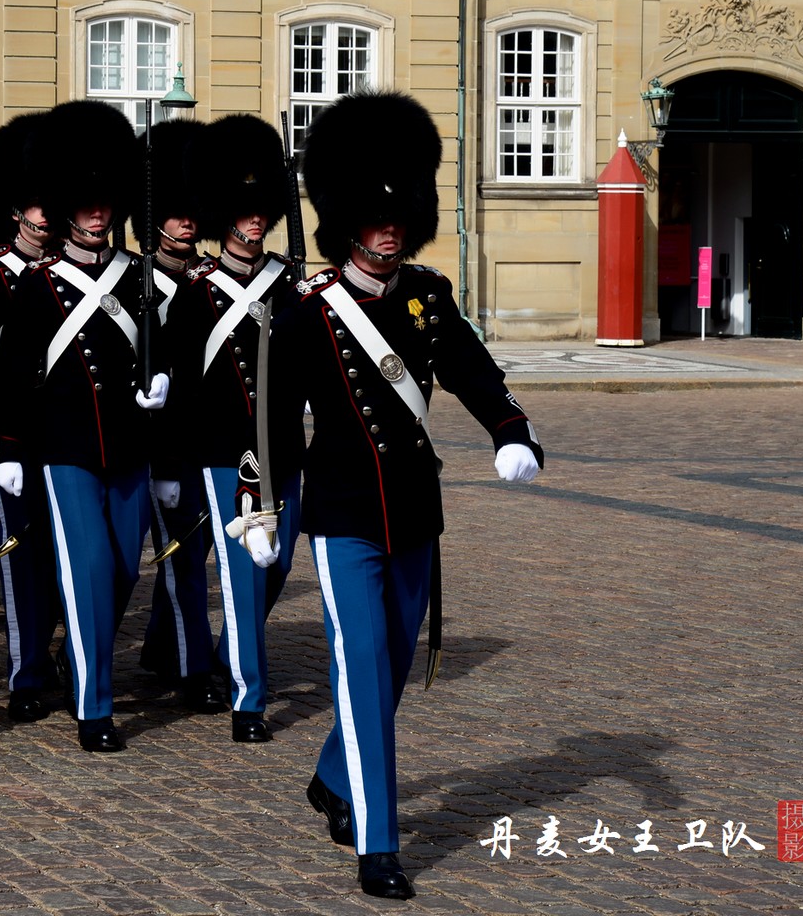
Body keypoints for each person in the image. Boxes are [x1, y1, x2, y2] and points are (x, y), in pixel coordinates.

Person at [275, 91, 543, 901]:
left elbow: (470, 369)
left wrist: (511, 431)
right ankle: (379, 841)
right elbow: (274, 418)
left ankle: (332, 775)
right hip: (345, 512)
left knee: (388, 672)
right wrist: (259, 501)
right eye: (374, 216)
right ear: (348, 223)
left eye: (399, 216)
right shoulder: (309, 311)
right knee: (360, 668)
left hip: (414, 512)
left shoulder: (427, 295)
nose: (389, 228)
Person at [0, 101, 167, 754]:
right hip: (60, 448)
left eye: (105, 201)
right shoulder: (38, 285)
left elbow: (158, 348)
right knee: (89, 565)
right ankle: (95, 705)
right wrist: (8, 445)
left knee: (121, 570)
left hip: (128, 449)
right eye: (86, 202)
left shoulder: (136, 278)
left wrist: (161, 377)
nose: (97, 212)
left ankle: (76, 656)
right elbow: (12, 372)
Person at [163, 115, 304, 743]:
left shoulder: (292, 285)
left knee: (277, 567)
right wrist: (175, 460)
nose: (254, 221)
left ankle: (230, 654)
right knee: (246, 571)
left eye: (261, 211)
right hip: (228, 453)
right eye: (244, 211)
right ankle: (249, 699)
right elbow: (181, 384)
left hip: (286, 452)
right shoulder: (198, 292)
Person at [130, 114, 225, 717]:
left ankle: (169, 647)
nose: (186, 221)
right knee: (155, 560)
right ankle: (192, 668)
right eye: (174, 209)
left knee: (194, 553)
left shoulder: (213, 279)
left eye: (194, 209)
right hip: (153, 438)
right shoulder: (137, 281)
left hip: (211, 435)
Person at [0, 109, 63, 724]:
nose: (46, 218)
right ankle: (27, 669)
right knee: (25, 552)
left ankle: (65, 642)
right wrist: (0, 445)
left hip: (76, 428)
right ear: (15, 211)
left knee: (79, 554)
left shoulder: (83, 272)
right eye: (36, 206)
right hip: (15, 430)